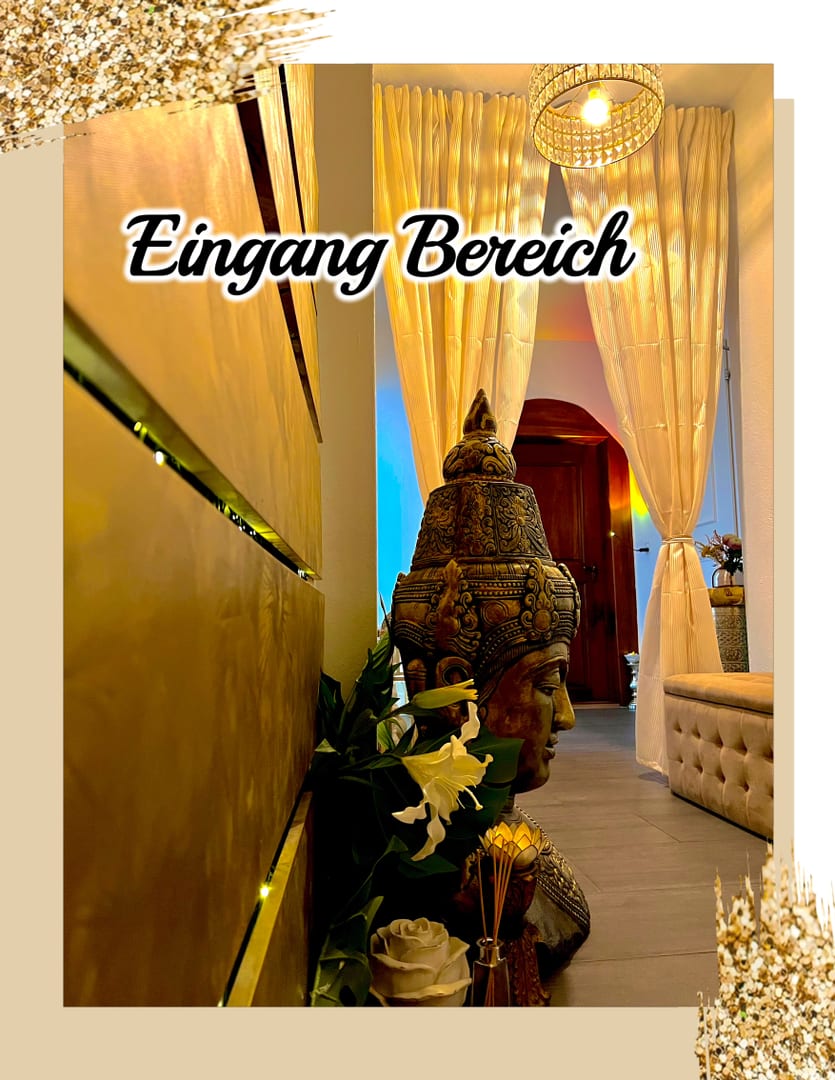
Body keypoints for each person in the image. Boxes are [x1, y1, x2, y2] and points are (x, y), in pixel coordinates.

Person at [391, 389, 590, 971]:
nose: (567, 716)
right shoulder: (448, 879)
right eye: (547, 684)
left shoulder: (528, 860)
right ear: (458, 691)